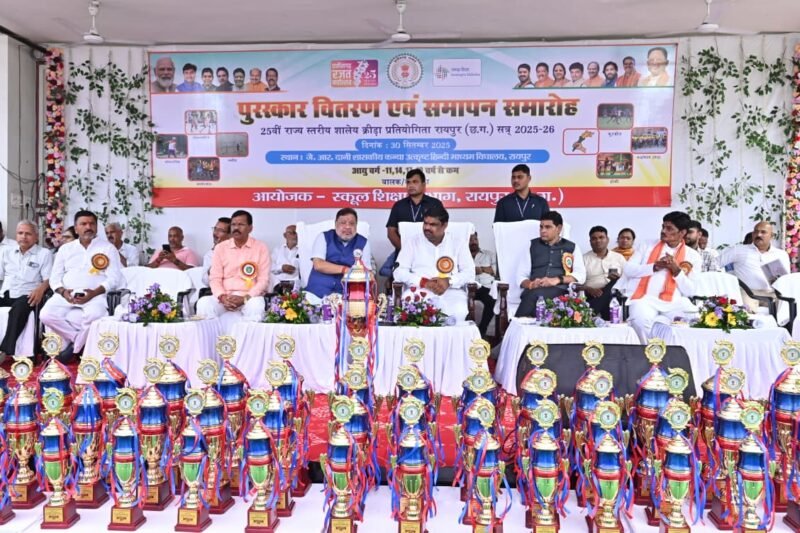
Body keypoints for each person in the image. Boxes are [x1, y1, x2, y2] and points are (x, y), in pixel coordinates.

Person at [41, 210, 123, 360]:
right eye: (83, 224)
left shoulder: (108, 248)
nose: (88, 227)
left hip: (94, 295)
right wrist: (63, 292)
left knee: (96, 315)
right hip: (67, 295)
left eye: (92, 224)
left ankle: (73, 349)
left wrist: (93, 293)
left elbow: (114, 278)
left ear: (97, 227)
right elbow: (55, 278)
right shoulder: (66, 249)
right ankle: (77, 341)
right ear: (76, 228)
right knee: (45, 315)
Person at [626, 211, 701, 342]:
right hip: (645, 299)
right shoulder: (646, 245)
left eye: (669, 228)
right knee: (639, 321)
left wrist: (676, 270)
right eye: (663, 227)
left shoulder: (693, 256)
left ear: (682, 233)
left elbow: (690, 291)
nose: (663, 231)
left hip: (674, 302)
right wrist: (654, 267)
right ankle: (650, 352)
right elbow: (628, 269)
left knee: (695, 323)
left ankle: (674, 352)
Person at [394, 205, 475, 320]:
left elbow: (469, 272)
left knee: (458, 312)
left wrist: (449, 281)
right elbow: (399, 271)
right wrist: (423, 282)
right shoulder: (412, 242)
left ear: (444, 225)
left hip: (451, 292)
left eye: (433, 224)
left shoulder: (458, 243)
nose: (427, 227)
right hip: (419, 291)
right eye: (425, 223)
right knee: (414, 314)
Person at [197, 210, 270, 331]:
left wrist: (245, 298)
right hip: (225, 297)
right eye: (233, 224)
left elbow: (263, 280)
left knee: (256, 306)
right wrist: (222, 297)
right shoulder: (220, 248)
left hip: (249, 297)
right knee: (204, 303)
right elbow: (214, 278)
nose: (236, 228)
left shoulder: (261, 247)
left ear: (250, 228)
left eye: (241, 224)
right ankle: (211, 342)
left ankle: (247, 343)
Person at [515, 211, 586, 317]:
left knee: (535, 296)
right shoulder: (532, 245)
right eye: (541, 227)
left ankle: (515, 323)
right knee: (535, 298)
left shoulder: (572, 247)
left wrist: (557, 280)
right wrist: (531, 284)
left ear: (559, 228)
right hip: (534, 291)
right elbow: (521, 276)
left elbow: (581, 275)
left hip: (559, 292)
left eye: (548, 227)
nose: (543, 230)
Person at [0, 221, 53, 361]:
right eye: (20, 233)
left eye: (28, 233)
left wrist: (41, 289)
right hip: (7, 293)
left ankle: (5, 349)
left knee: (18, 308)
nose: (23, 237)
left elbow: (49, 279)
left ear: (36, 236)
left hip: (29, 295)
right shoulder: (6, 252)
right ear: (16, 235)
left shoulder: (44, 254)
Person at [719, 221, 790, 309]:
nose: (758, 234)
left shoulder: (781, 254)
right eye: (756, 231)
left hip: (773, 294)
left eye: (763, 232)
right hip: (747, 293)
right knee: (747, 311)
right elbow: (715, 264)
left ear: (772, 236)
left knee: (787, 307)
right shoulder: (738, 250)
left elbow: (786, 279)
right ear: (752, 234)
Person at [306, 208, 372, 300]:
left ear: (356, 226)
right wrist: (345, 270)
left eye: (352, 223)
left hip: (347, 296)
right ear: (336, 224)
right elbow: (318, 265)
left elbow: (367, 272)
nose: (347, 227)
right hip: (317, 294)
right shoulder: (323, 237)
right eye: (343, 223)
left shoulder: (363, 242)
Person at [386, 168, 444, 255]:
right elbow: (391, 232)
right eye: (408, 182)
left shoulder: (435, 204)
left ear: (423, 185)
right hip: (404, 252)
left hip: (429, 252)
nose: (411, 185)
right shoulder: (399, 205)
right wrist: (405, 250)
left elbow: (441, 229)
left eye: (415, 182)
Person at [578, 226, 626, 320]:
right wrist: (589, 289)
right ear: (590, 241)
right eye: (594, 238)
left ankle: (592, 311)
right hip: (592, 295)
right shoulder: (583, 259)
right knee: (610, 290)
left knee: (614, 283)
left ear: (607, 240)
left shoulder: (618, 258)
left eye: (601, 237)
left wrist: (618, 278)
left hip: (615, 295)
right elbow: (575, 284)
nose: (598, 241)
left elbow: (628, 279)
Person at [469, 232, 497, 337]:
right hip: (468, 287)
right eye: (470, 240)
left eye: (475, 239)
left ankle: (482, 330)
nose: (473, 242)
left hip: (485, 287)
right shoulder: (462, 255)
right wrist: (485, 269)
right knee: (461, 301)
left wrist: (479, 269)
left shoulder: (489, 254)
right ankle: (468, 331)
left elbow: (495, 271)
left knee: (492, 300)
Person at [201, 217, 232, 285]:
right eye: (215, 229)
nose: (215, 233)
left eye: (220, 230)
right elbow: (206, 282)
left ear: (230, 235)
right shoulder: (210, 255)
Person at [270, 225, 299, 292]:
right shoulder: (277, 250)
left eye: (296, 233)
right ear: (285, 235)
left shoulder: (303, 251)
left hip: (296, 285)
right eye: (291, 233)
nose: (294, 236)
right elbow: (270, 266)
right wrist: (282, 268)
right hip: (278, 284)